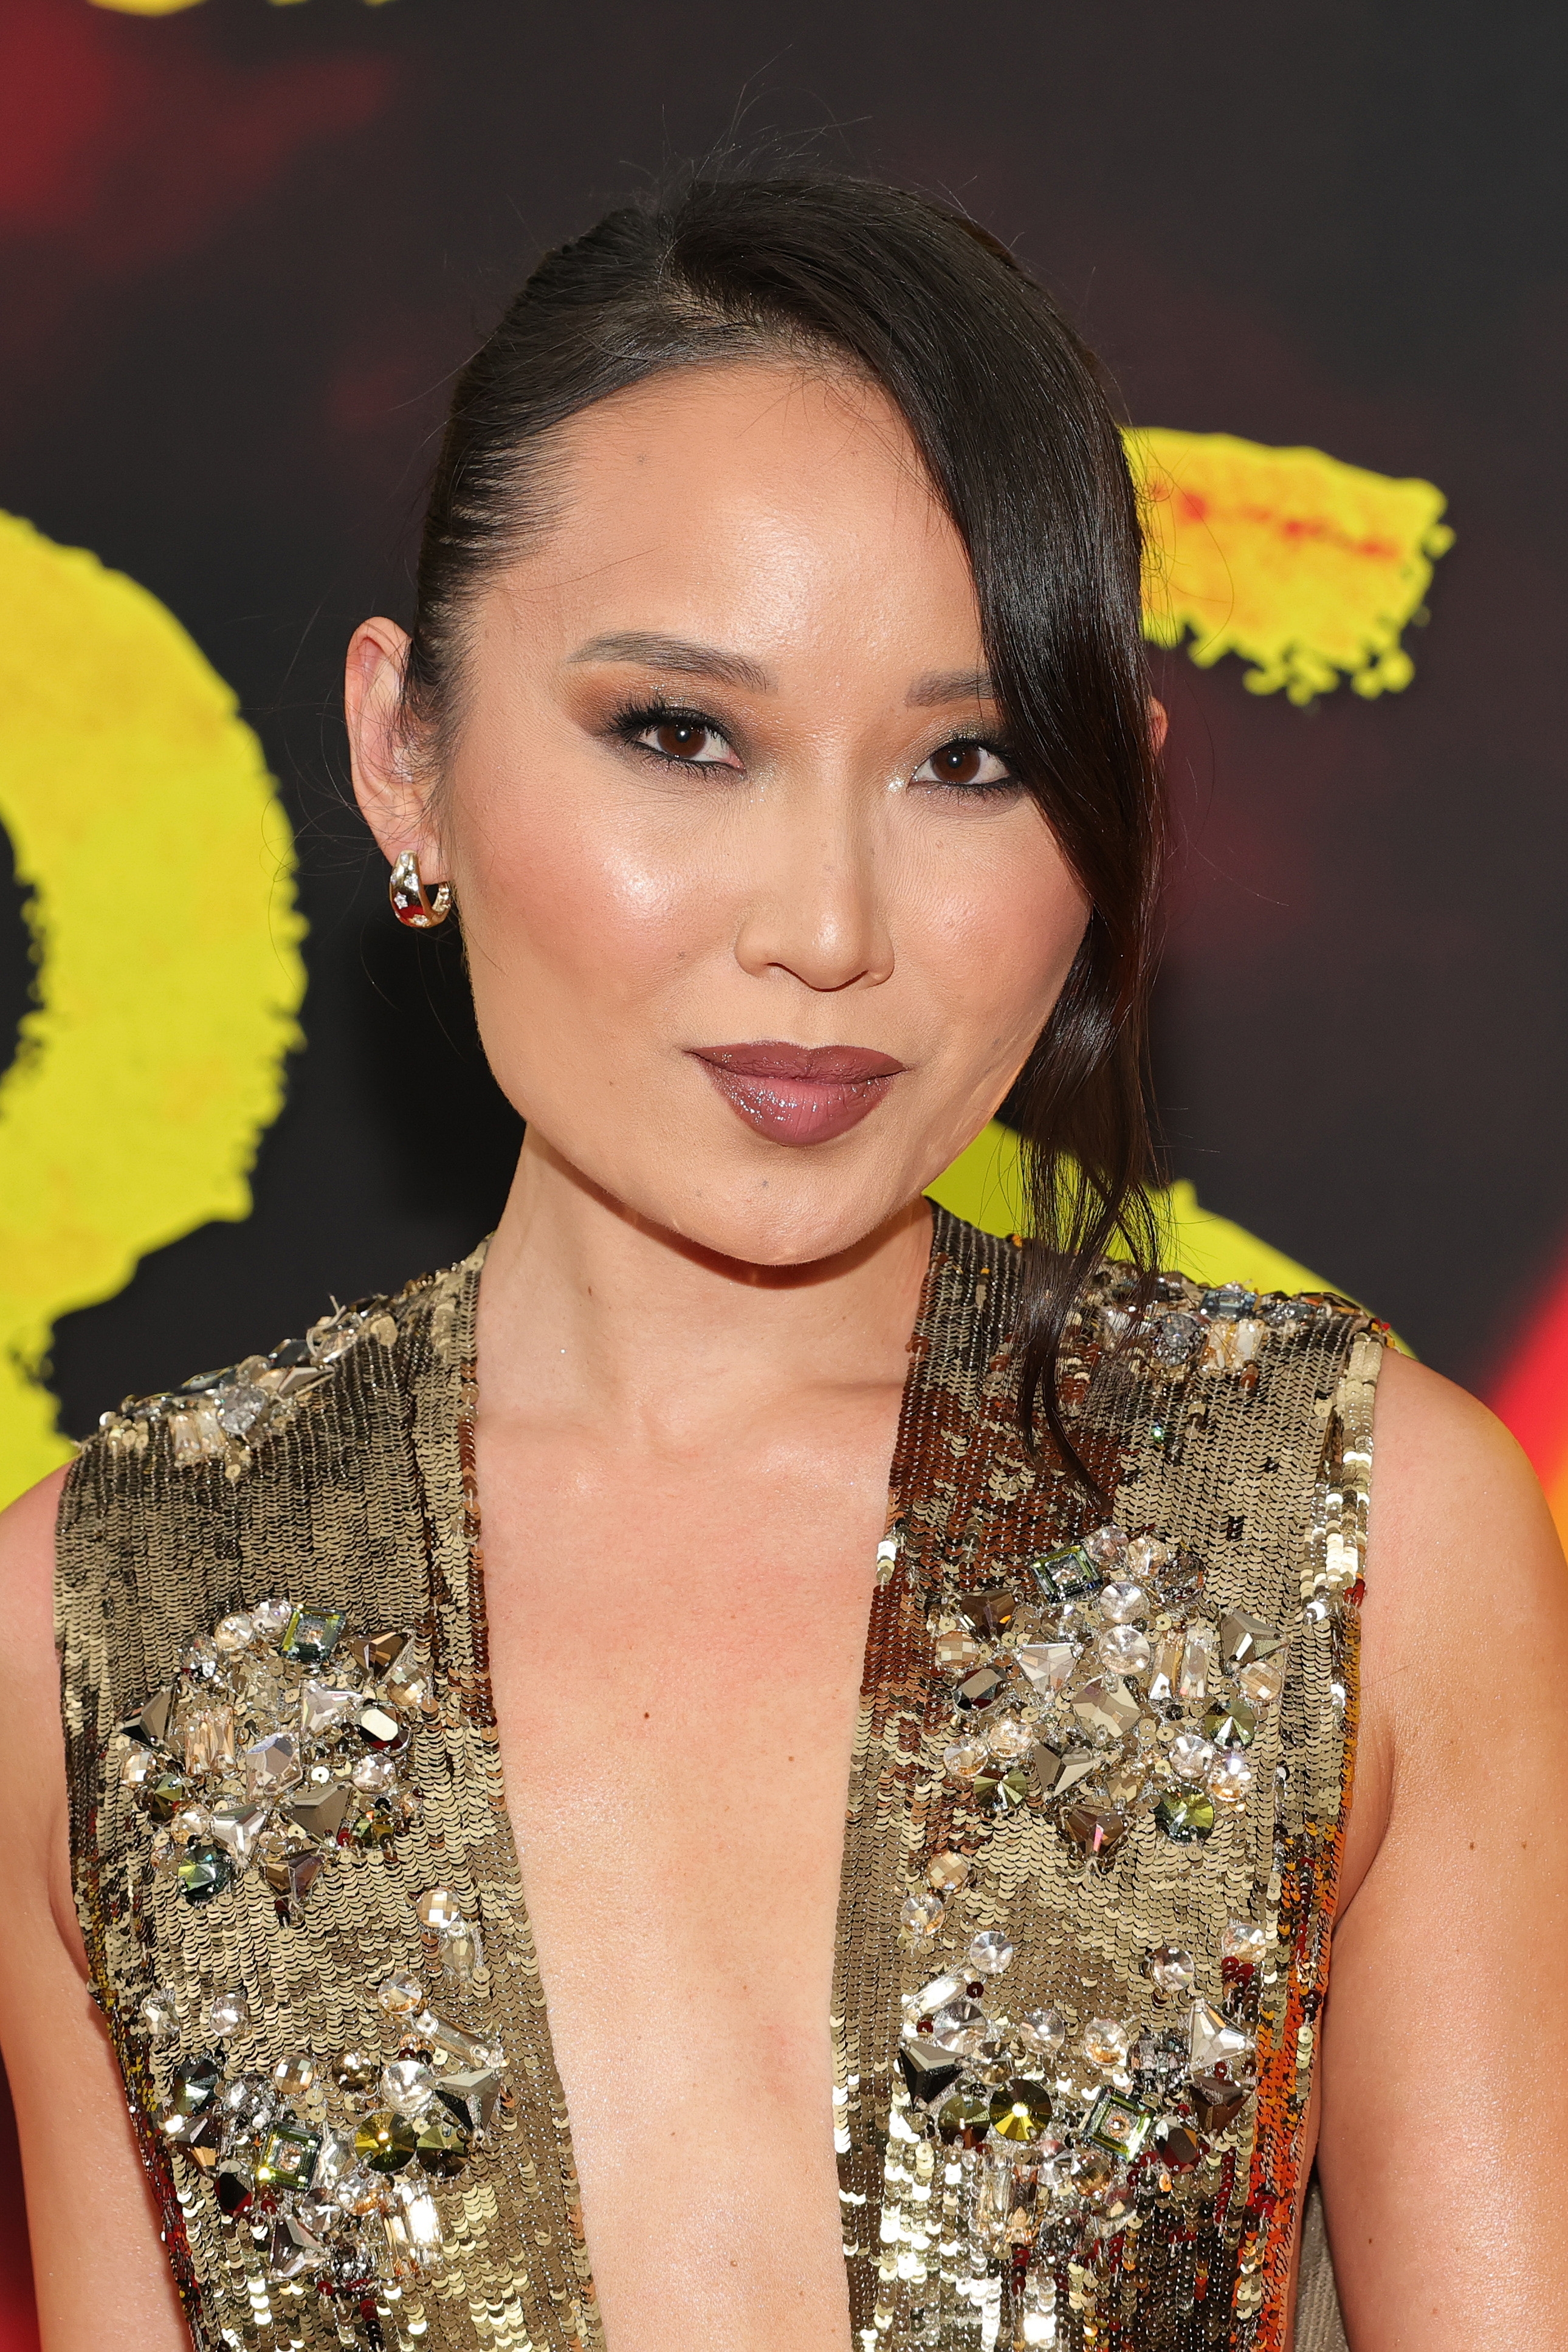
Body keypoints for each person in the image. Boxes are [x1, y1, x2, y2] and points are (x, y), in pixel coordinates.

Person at [0, 173, 1563, 2352]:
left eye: (970, 761)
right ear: (403, 754)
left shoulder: (1364, 1531)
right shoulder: (101, 1615)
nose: (826, 927)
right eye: (680, 735)